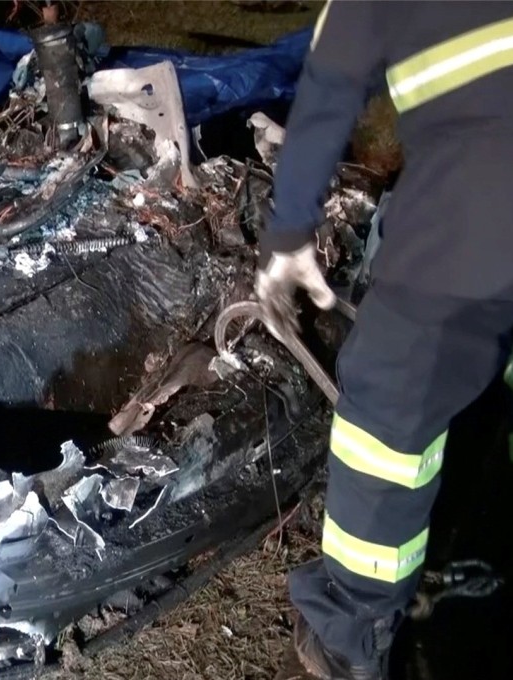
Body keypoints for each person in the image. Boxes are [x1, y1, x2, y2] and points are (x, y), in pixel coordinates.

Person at [256, 2, 513, 679]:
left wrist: (288, 234)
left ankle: (351, 629)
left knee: (386, 404)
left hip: (478, 199)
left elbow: (331, 83)